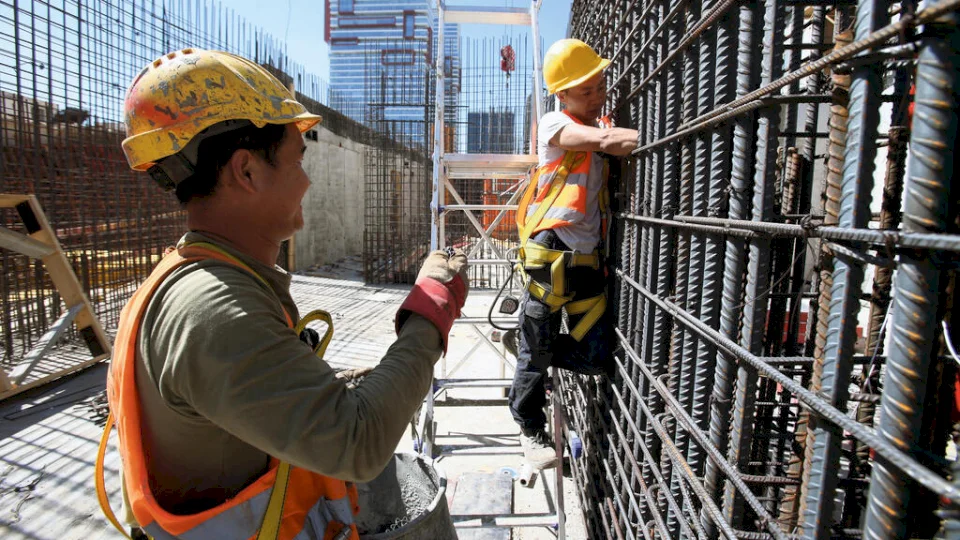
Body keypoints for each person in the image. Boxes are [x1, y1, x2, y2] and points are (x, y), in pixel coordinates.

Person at [96, 48, 468, 540]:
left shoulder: (206, 280)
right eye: (297, 159)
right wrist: (432, 307)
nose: (308, 180)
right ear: (246, 171)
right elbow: (358, 444)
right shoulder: (213, 310)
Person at [504, 39, 639, 469]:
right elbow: (598, 140)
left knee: (595, 356)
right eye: (586, 90)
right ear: (561, 94)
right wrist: (639, 136)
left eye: (599, 86)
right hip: (550, 257)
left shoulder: (597, 126)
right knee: (537, 352)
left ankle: (528, 347)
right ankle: (529, 430)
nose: (597, 95)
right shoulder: (553, 125)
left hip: (585, 264)